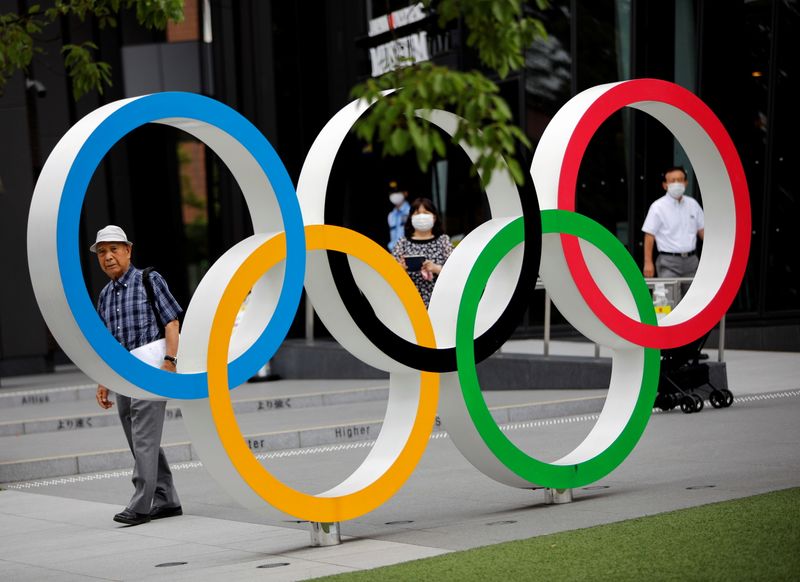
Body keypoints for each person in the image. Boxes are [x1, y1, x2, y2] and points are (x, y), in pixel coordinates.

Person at [91, 225, 183, 526]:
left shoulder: (148, 279)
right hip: (122, 378)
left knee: (143, 438)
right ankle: (166, 499)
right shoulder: (105, 295)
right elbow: (106, 344)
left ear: (128, 251)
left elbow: (171, 321)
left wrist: (170, 361)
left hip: (150, 369)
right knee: (140, 440)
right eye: (102, 252)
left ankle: (141, 504)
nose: (108, 257)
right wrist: (104, 380)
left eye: (114, 249)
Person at [642, 166, 705, 279]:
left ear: (686, 183)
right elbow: (649, 235)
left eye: (680, 180)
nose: (677, 183)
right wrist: (648, 262)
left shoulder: (693, 204)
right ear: (665, 185)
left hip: (692, 261)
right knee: (669, 296)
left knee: (694, 296)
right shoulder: (657, 207)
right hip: (668, 262)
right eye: (672, 181)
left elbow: (703, 232)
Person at [392, 198, 453, 307]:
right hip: (409, 304)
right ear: (411, 217)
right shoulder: (402, 242)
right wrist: (399, 270)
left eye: (426, 213)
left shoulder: (443, 241)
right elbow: (389, 273)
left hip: (440, 303)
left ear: (434, 217)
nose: (421, 216)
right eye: (417, 213)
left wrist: (436, 268)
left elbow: (456, 271)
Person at [387, 180, 410, 251]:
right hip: (394, 252)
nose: (394, 195)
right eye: (392, 193)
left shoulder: (412, 212)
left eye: (397, 192)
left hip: (408, 252)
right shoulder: (391, 215)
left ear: (405, 193)